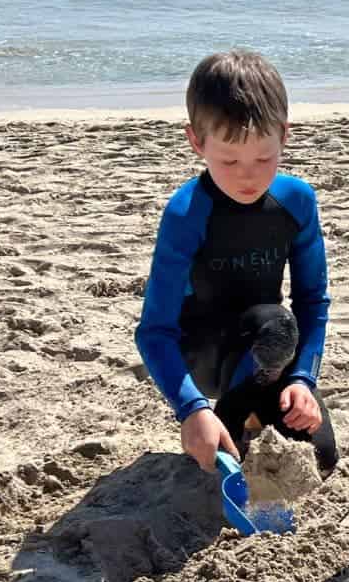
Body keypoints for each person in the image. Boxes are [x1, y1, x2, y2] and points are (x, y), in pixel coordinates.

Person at [135, 50, 337, 475]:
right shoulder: (186, 212)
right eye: (229, 160)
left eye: (263, 158)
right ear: (196, 142)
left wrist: (302, 380)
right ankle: (224, 424)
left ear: (284, 135)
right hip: (202, 353)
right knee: (275, 322)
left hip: (265, 354)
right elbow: (153, 332)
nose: (248, 175)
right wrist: (191, 408)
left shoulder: (296, 202)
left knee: (321, 457)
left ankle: (244, 423)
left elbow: (313, 303)